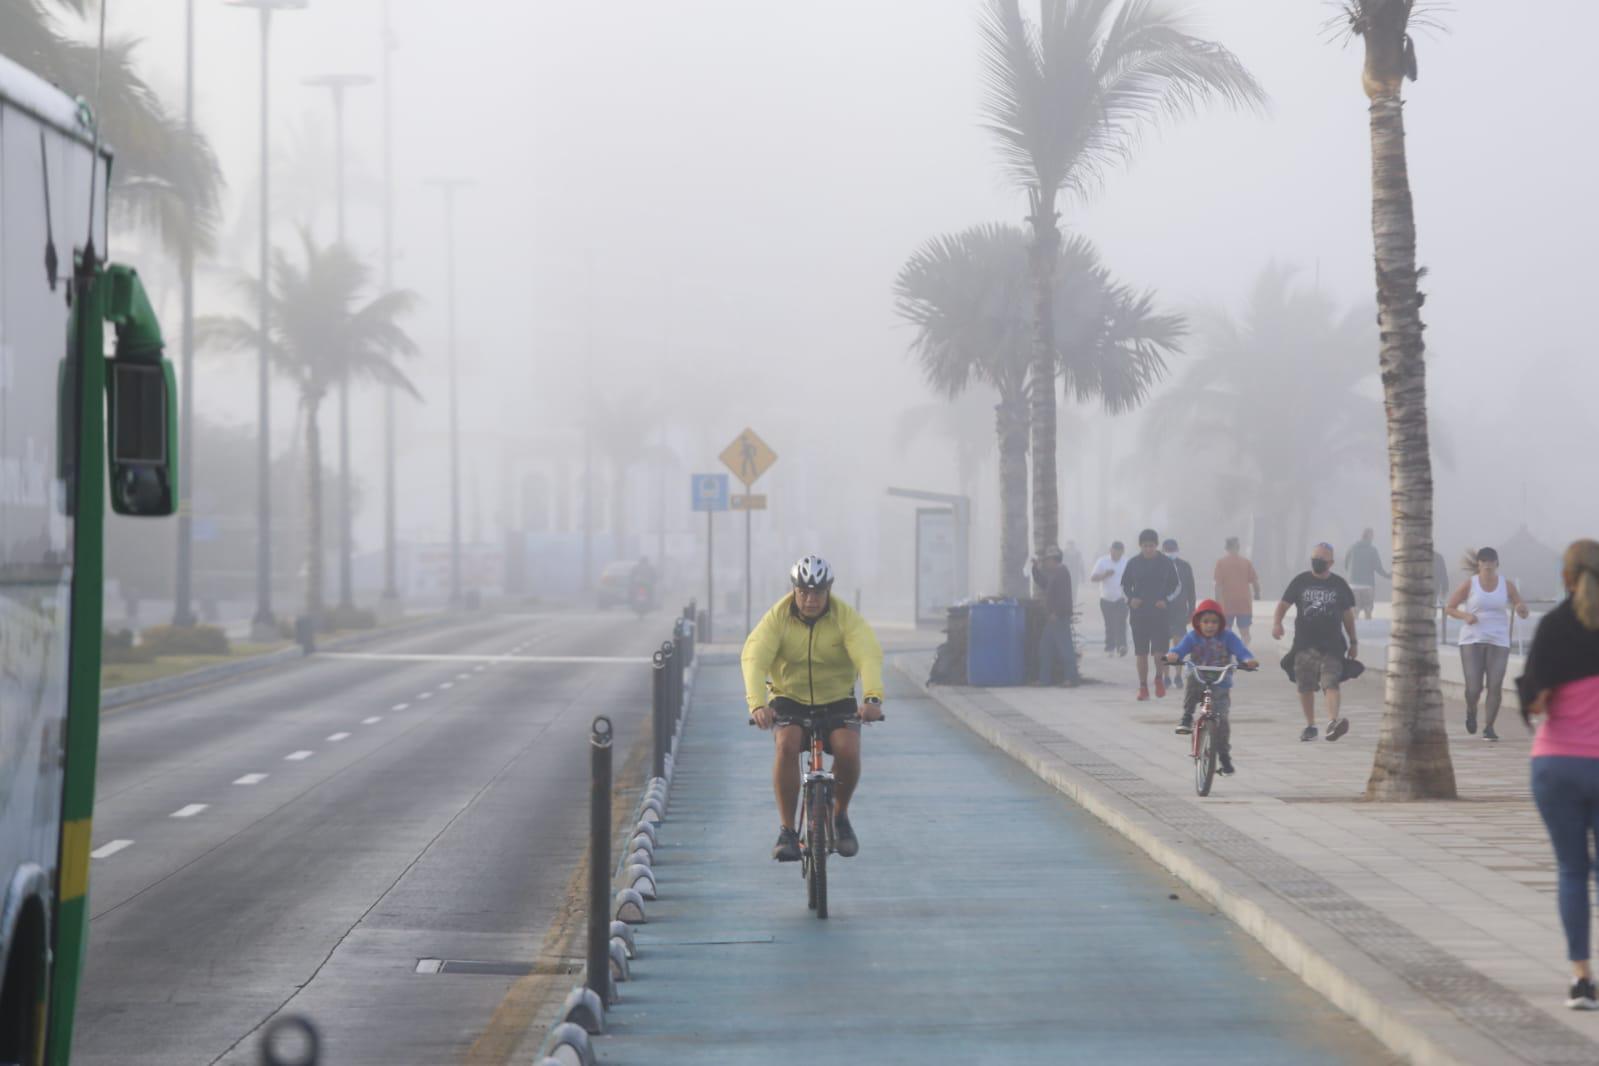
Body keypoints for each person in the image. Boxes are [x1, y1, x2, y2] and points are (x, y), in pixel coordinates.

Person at [744, 554, 884, 862]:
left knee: (847, 749)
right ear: (794, 590)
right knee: (786, 744)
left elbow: (868, 654)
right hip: (788, 696)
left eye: (818, 593)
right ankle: (787, 831)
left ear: (829, 590)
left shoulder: (845, 617)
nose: (810, 599)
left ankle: (840, 816)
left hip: (836, 697)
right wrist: (758, 705)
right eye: (804, 592)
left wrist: (872, 698)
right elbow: (755, 659)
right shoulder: (777, 617)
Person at [1519, 540, 1599, 1010]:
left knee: (1572, 870)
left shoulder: (1553, 626)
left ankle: (1581, 980)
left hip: (1557, 766)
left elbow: (1537, 702)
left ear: (1566, 578)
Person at [1272, 542, 1358, 742]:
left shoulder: (1339, 585)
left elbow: (1348, 616)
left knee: (1331, 681)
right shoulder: (1300, 581)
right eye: (1315, 558)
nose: (1317, 562)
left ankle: (1332, 722)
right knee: (1305, 685)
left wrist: (1353, 642)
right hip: (1304, 644)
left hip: (1332, 644)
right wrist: (1277, 623)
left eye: (1322, 559)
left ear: (1331, 562)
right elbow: (1283, 605)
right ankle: (1310, 725)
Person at [1166, 599, 1260, 776]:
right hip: (1199, 676)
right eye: (1206, 622)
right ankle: (1186, 717)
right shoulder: (1193, 636)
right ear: (1198, 622)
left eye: (1214, 622)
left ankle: (1224, 756)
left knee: (1222, 719)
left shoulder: (1228, 637)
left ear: (1221, 623)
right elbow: (1180, 649)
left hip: (1220, 682)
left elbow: (1241, 651)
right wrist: (1174, 655)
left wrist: (1248, 660)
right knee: (1192, 684)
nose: (1210, 626)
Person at [1446, 546, 1530, 739]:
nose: (1488, 567)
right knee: (1474, 687)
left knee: (1495, 684)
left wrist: (1521, 608)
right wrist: (1465, 615)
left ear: (1497, 564)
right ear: (1479, 565)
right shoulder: (1470, 584)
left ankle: (1489, 727)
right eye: (1484, 563)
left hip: (1499, 640)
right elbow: (1449, 608)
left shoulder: (1506, 585)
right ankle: (1471, 709)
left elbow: (1520, 608)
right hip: (1472, 639)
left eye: (1491, 563)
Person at [1121, 529, 1181, 701]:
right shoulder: (1133, 563)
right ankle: (1143, 687)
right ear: (1140, 546)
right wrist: (1130, 599)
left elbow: (1176, 586)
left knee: (1158, 652)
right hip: (1139, 614)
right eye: (1145, 546)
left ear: (1156, 546)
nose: (1148, 549)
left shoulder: (1166, 563)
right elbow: (1124, 586)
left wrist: (1166, 601)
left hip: (1159, 613)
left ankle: (1159, 679)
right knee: (1141, 653)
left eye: (1152, 546)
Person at [1035, 547, 1081, 686]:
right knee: (1045, 648)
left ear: (1053, 560)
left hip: (1059, 617)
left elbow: (1064, 596)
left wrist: (1057, 613)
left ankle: (1071, 678)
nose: (1046, 563)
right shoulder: (1055, 573)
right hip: (1053, 618)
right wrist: (1035, 570)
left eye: (1047, 560)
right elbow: (1044, 584)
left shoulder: (1062, 572)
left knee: (1065, 648)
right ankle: (1044, 679)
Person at [1161, 538, 1196, 689]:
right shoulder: (1156, 567)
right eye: (1167, 550)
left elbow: (1191, 590)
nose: (1170, 553)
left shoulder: (1184, 566)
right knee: (1162, 646)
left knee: (1179, 645)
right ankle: (1165, 676)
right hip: (1161, 612)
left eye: (1172, 550)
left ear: (1177, 550)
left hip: (1180, 610)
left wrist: (1192, 610)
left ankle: (1178, 675)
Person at [1213, 536, 1261, 641]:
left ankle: (1228, 653)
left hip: (1227, 603)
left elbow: (1218, 585)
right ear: (1238, 547)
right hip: (1244, 603)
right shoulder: (1246, 562)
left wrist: (1217, 602)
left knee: (1225, 630)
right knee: (1245, 632)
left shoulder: (1221, 563)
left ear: (1226, 548)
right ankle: (1243, 652)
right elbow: (1255, 582)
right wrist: (1257, 594)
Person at [1090, 541, 1129, 656]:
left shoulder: (1127, 562)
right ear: (1110, 551)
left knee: (1121, 622)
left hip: (1122, 597)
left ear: (1122, 552)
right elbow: (1093, 578)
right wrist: (1104, 575)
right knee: (1109, 623)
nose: (1115, 555)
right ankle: (1110, 647)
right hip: (1106, 598)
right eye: (1112, 552)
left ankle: (1122, 646)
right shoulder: (1102, 561)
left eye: (1117, 552)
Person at [1344, 528, 1390, 621]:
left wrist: (1351, 576)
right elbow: (1378, 567)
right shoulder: (1372, 550)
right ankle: (1368, 630)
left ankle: (1355, 633)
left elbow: (1346, 564)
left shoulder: (1352, 548)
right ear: (1370, 537)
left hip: (1353, 585)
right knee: (1368, 611)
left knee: (1354, 612)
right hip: (1367, 586)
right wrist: (1388, 575)